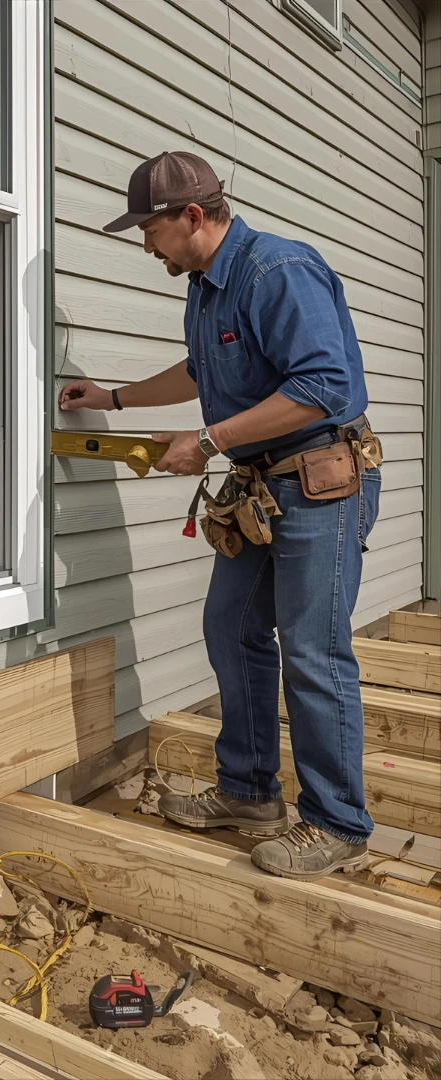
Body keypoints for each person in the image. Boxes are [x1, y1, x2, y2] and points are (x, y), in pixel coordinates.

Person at [60, 151, 382, 881]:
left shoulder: (278, 271)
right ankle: (248, 793)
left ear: (193, 218)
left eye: (151, 228)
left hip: (320, 485)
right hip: (265, 488)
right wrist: (112, 400)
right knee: (231, 626)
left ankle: (336, 822)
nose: (146, 245)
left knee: (312, 651)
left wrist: (209, 440)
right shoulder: (205, 289)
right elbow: (201, 370)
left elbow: (325, 387)